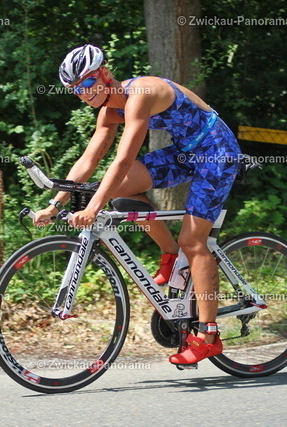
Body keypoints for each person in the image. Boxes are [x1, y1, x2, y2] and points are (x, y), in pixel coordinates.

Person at [33, 44, 241, 365]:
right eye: (75, 90)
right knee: (118, 191)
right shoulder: (108, 111)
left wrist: (93, 208)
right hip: (184, 153)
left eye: (87, 83)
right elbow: (89, 159)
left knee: (193, 241)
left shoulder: (140, 93)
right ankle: (170, 254)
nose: (83, 94)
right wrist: (55, 205)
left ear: (105, 74)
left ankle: (208, 336)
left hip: (216, 151)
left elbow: (123, 160)